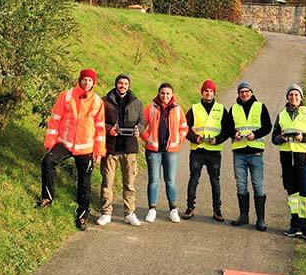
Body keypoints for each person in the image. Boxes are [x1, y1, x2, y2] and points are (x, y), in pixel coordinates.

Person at [39, 69, 106, 230]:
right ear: (80, 80)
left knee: (85, 182)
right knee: (47, 162)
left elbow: (100, 128)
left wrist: (99, 150)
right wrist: (51, 143)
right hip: (65, 143)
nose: (87, 83)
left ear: (93, 83)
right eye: (85, 80)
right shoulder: (66, 96)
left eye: (90, 81)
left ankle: (82, 215)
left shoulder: (97, 102)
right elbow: (55, 119)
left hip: (86, 147)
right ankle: (47, 198)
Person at [271, 83, 306, 243]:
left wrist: (303, 137)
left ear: (301, 98)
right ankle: (296, 225)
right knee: (292, 195)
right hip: (286, 161)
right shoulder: (281, 115)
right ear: (287, 97)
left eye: (296, 95)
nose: (293, 97)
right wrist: (282, 138)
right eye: (291, 95)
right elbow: (274, 138)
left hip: (304, 160)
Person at [221, 81, 272, 231]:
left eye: (247, 91)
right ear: (238, 94)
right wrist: (233, 134)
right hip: (239, 152)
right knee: (241, 184)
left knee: (258, 185)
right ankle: (244, 216)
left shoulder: (260, 106)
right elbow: (227, 127)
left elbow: (267, 126)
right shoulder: (234, 108)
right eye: (242, 91)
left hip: (255, 151)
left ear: (251, 92)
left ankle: (261, 219)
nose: (244, 94)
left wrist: (255, 134)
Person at [97, 73, 144, 226]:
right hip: (111, 147)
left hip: (129, 148)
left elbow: (142, 121)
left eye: (125, 84)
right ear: (116, 84)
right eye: (120, 83)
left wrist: (139, 130)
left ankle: (129, 212)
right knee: (107, 182)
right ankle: (106, 212)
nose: (122, 86)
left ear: (129, 86)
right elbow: (98, 122)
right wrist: (109, 129)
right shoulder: (105, 101)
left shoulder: (137, 102)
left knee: (129, 183)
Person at [139, 82, 188, 223]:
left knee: (170, 180)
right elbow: (141, 126)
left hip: (171, 151)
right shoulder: (150, 108)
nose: (165, 96)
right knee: (154, 180)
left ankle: (173, 209)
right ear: (158, 93)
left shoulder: (178, 109)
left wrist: (179, 140)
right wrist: (147, 139)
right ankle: (152, 209)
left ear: (172, 95)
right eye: (162, 93)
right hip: (153, 150)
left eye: (168, 93)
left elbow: (184, 127)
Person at [182, 80, 226, 221]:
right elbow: (185, 128)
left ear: (214, 93)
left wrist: (217, 140)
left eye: (211, 91)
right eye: (206, 90)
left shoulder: (221, 108)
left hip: (214, 151)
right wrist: (195, 138)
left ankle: (217, 210)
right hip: (198, 150)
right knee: (194, 179)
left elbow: (227, 129)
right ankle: (190, 208)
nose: (208, 93)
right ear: (202, 92)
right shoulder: (194, 108)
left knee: (215, 181)